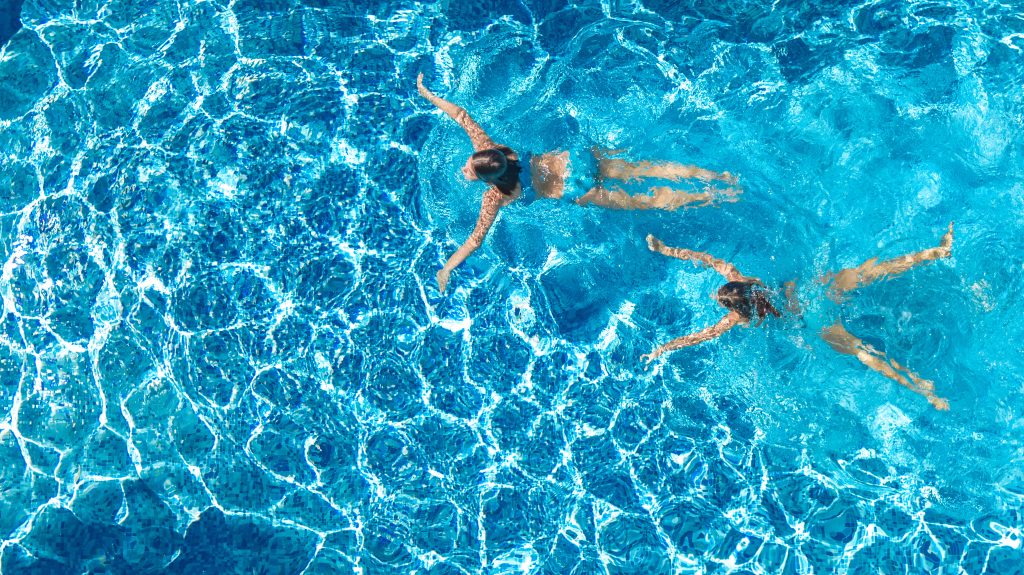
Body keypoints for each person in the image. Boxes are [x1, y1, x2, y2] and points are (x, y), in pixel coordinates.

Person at [416, 73, 741, 292]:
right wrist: (429, 95)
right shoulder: (496, 151)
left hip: (577, 190)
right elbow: (461, 115)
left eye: (471, 170)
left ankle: (712, 198)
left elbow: (474, 241)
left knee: (645, 201)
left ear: (489, 178)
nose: (466, 169)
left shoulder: (495, 197)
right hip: (577, 159)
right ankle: (718, 178)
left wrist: (446, 268)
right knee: (645, 168)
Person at [642, 223, 955, 410]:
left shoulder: (735, 319)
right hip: (813, 291)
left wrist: (662, 348)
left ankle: (924, 389)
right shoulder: (745, 278)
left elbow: (697, 337)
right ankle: (936, 253)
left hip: (812, 323)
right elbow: (710, 261)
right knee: (871, 272)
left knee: (864, 353)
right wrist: (667, 249)